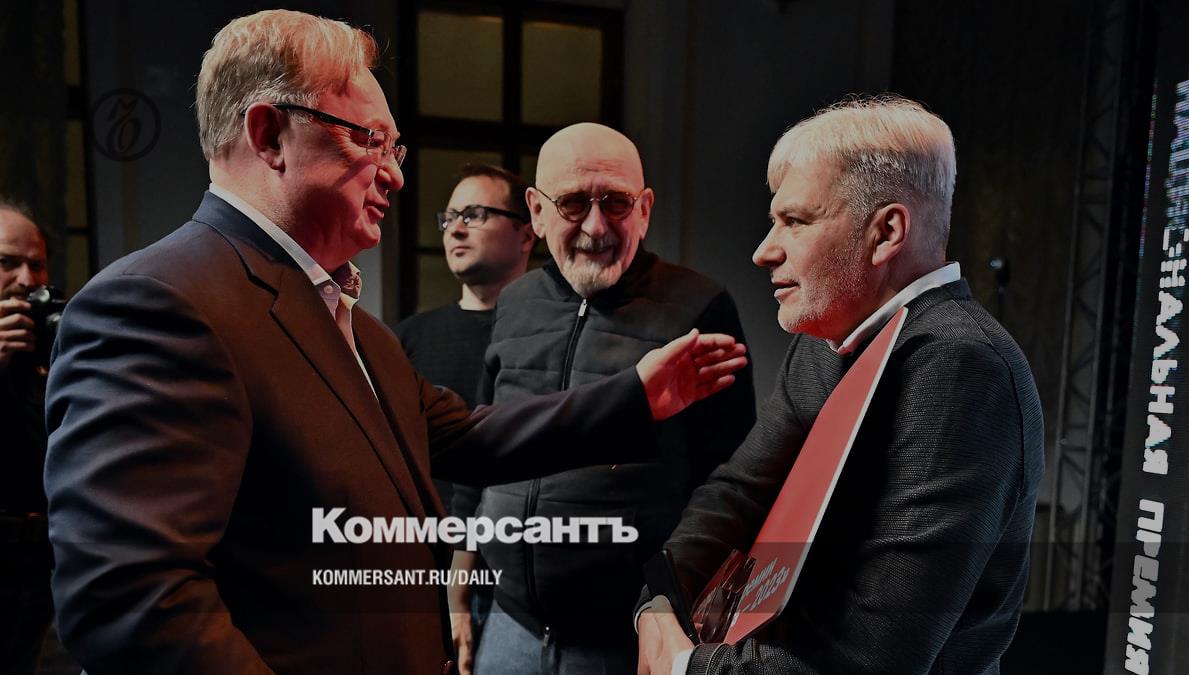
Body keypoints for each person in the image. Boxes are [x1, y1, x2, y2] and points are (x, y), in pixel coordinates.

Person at [41, 11, 747, 675]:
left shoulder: (354, 326)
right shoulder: (156, 304)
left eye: (395, 147)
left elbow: (469, 437)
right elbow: (129, 601)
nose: (396, 174)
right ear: (269, 135)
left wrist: (636, 397)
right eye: (369, 140)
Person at [636, 95, 1044, 674]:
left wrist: (687, 667)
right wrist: (659, 601)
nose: (763, 250)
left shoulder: (962, 366)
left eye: (795, 221)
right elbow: (740, 490)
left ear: (886, 232)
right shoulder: (826, 341)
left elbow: (872, 656)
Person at [463, 123, 757, 675]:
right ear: (537, 211)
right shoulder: (515, 302)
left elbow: (730, 481)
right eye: (573, 203)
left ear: (644, 210)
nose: (596, 227)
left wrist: (684, 608)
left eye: (616, 203)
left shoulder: (700, 306)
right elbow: (478, 449)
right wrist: (460, 583)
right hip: (507, 623)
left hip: (625, 638)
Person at [392, 164, 535, 670]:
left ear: (526, 232)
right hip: (426, 574)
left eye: (473, 214)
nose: (455, 228)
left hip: (520, 582)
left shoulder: (546, 337)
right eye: (449, 217)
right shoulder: (407, 339)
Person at [0, 198, 53, 675]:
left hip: (39, 564)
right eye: (6, 262)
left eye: (35, 264)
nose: (25, 279)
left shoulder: (46, 341)